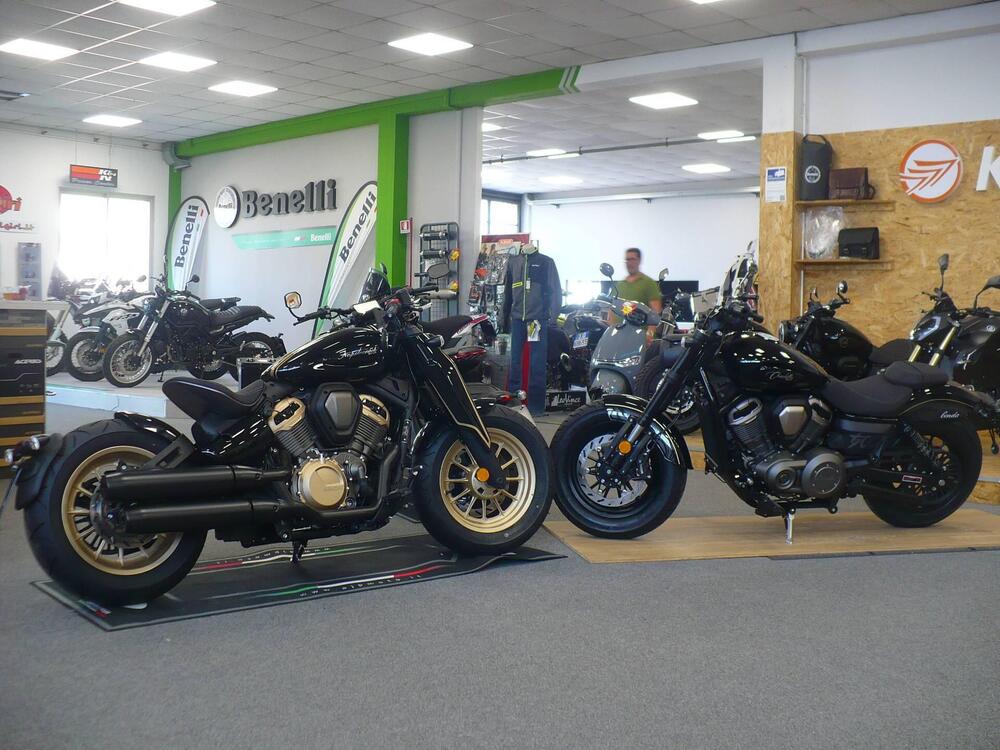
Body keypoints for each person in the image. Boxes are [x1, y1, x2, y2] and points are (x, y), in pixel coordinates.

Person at [617, 247, 662, 314]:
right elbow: (612, 309)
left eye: (632, 259)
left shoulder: (649, 283)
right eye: (627, 260)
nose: (629, 263)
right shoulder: (620, 285)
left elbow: (656, 312)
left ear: (639, 261)